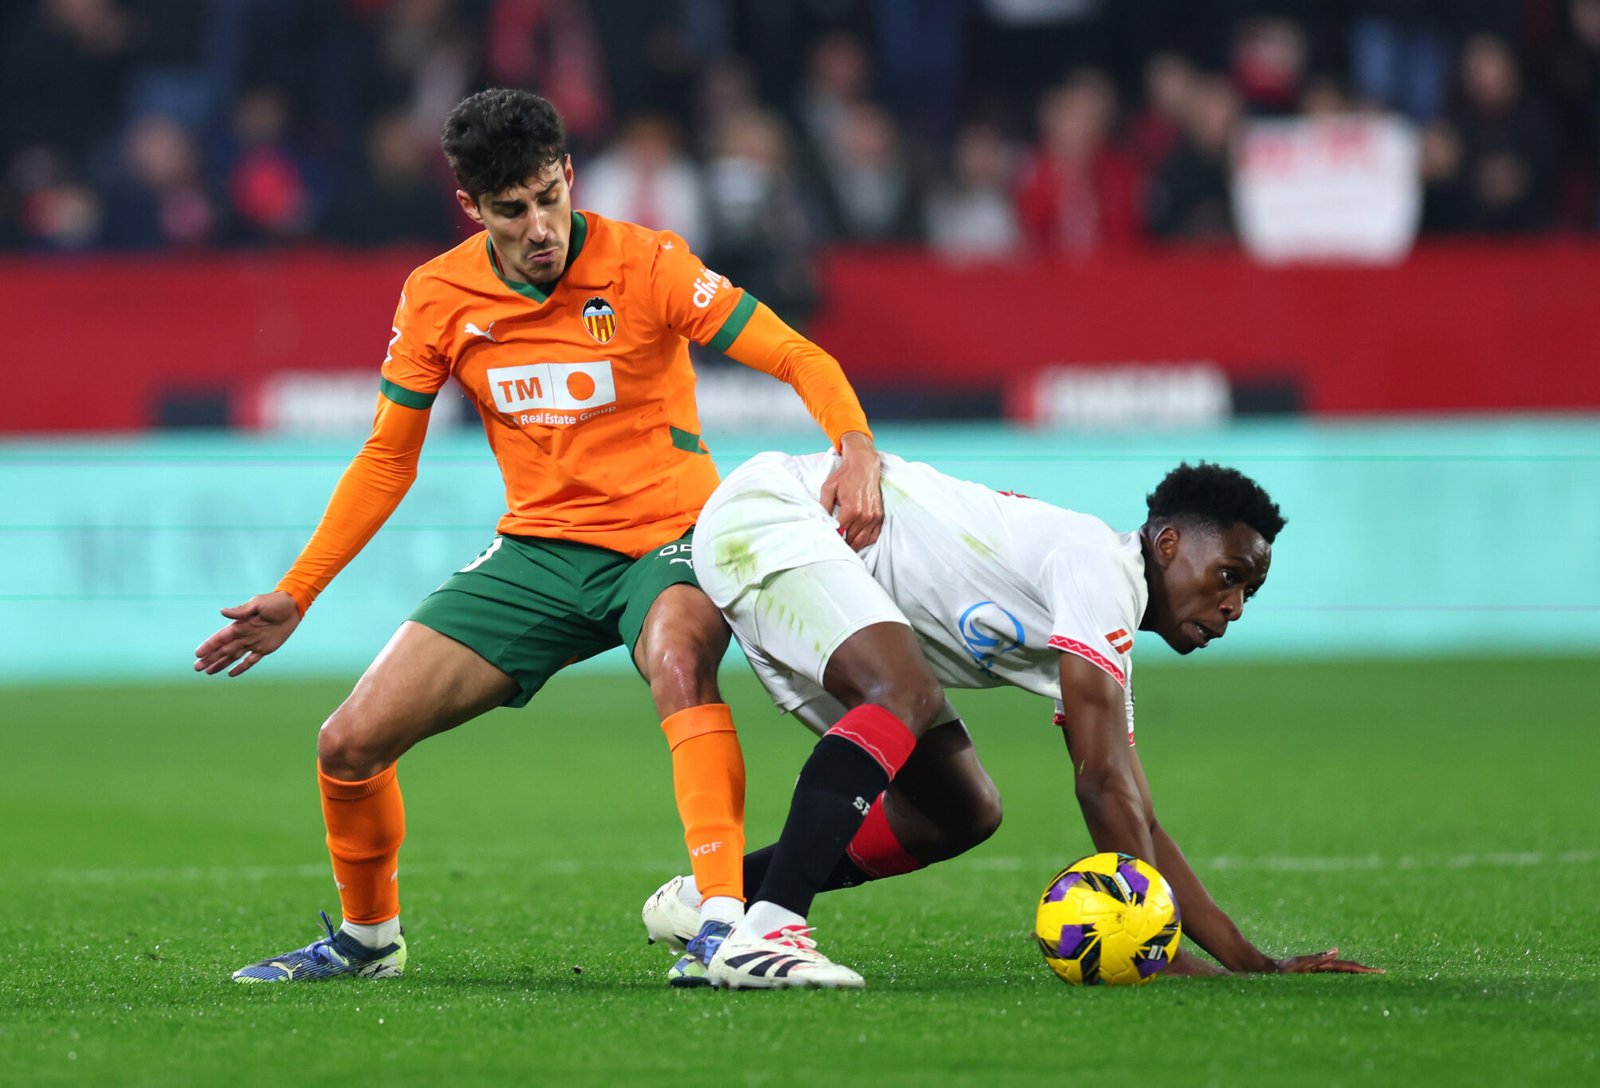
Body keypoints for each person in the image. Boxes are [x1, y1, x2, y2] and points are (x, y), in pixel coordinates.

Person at [194, 88, 882, 985]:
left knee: (678, 657)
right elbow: (386, 460)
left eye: (549, 196)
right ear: (472, 208)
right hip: (541, 555)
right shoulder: (439, 296)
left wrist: (856, 447)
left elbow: (797, 353)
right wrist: (300, 590)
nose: (540, 226)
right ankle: (368, 943)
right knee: (346, 744)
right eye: (512, 210)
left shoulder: (650, 264)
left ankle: (723, 926)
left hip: (668, 537)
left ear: (568, 175)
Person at [641, 451, 1382, 988]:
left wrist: (1249, 961)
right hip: (779, 514)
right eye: (1229, 577)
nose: (1233, 606)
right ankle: (771, 931)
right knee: (906, 695)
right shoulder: (1100, 567)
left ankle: (715, 902)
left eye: (1249, 592)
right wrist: (1166, 952)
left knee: (960, 809)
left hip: (826, 577)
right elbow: (1100, 787)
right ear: (1166, 544)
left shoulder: (1104, 626)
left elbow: (1134, 812)